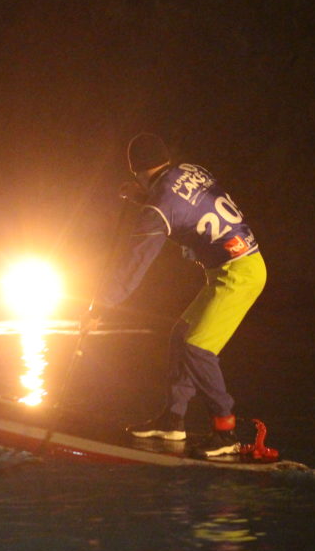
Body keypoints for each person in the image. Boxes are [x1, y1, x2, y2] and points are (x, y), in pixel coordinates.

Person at [82, 133, 266, 457]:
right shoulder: (191, 169)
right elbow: (185, 204)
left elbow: (132, 266)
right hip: (239, 266)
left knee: (197, 349)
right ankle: (173, 421)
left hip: (239, 275)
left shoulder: (157, 209)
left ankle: (226, 433)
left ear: (135, 170)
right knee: (181, 335)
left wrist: (99, 306)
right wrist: (144, 197)